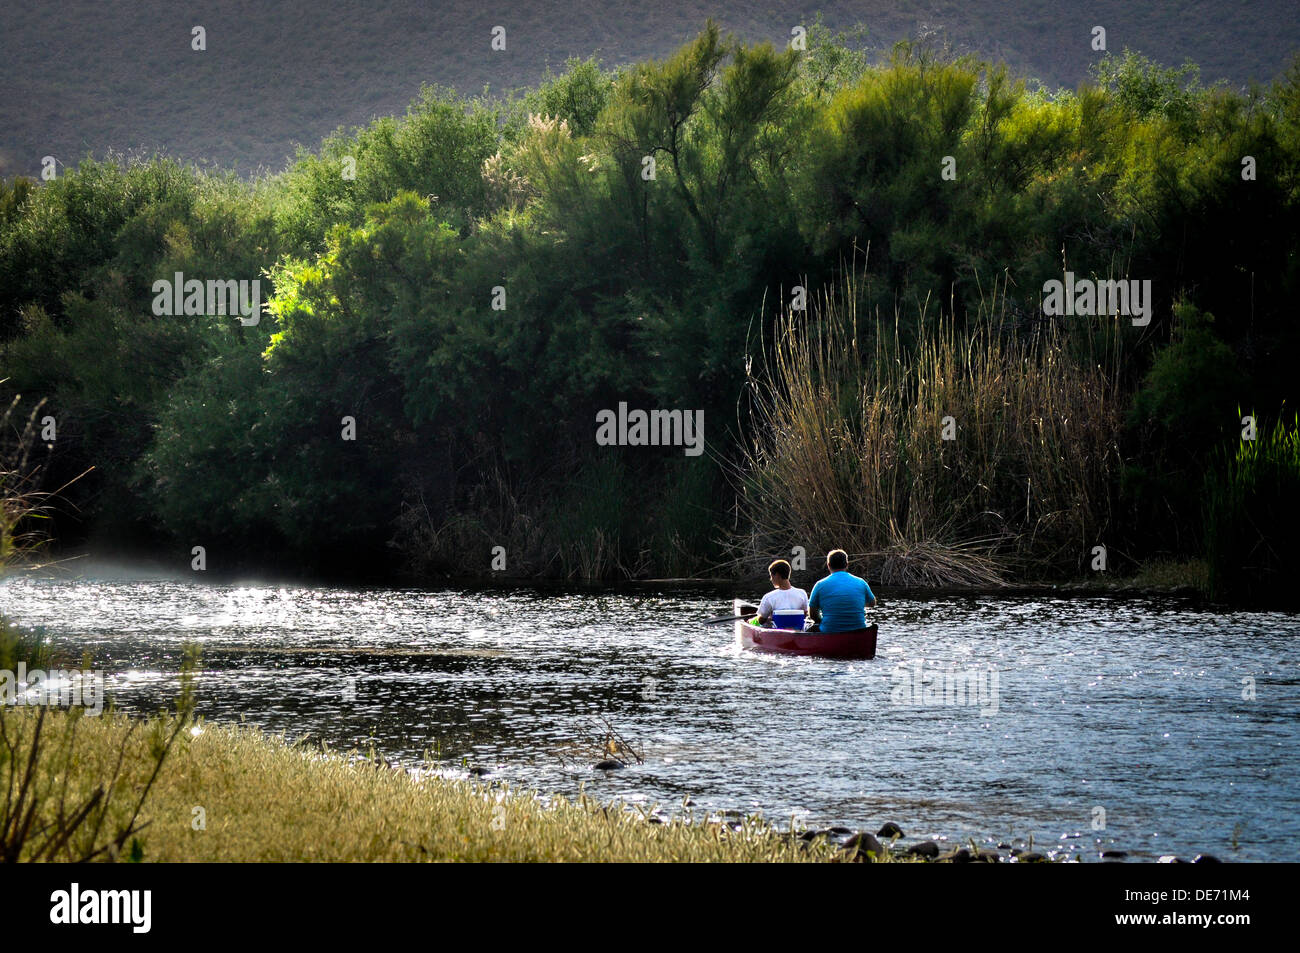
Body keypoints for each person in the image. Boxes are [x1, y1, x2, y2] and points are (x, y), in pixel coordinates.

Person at [807, 549, 876, 632]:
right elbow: (872, 603)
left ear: (828, 565)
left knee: (810, 627)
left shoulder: (820, 585)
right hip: (859, 631)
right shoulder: (861, 582)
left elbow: (812, 614)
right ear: (847, 565)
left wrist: (821, 621)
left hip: (829, 631)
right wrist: (855, 604)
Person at [753, 559, 809, 627]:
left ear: (777, 575)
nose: (771, 579)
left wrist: (767, 618)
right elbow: (805, 614)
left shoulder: (769, 597)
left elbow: (761, 620)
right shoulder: (802, 593)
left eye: (771, 576)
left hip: (777, 633)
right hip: (798, 630)